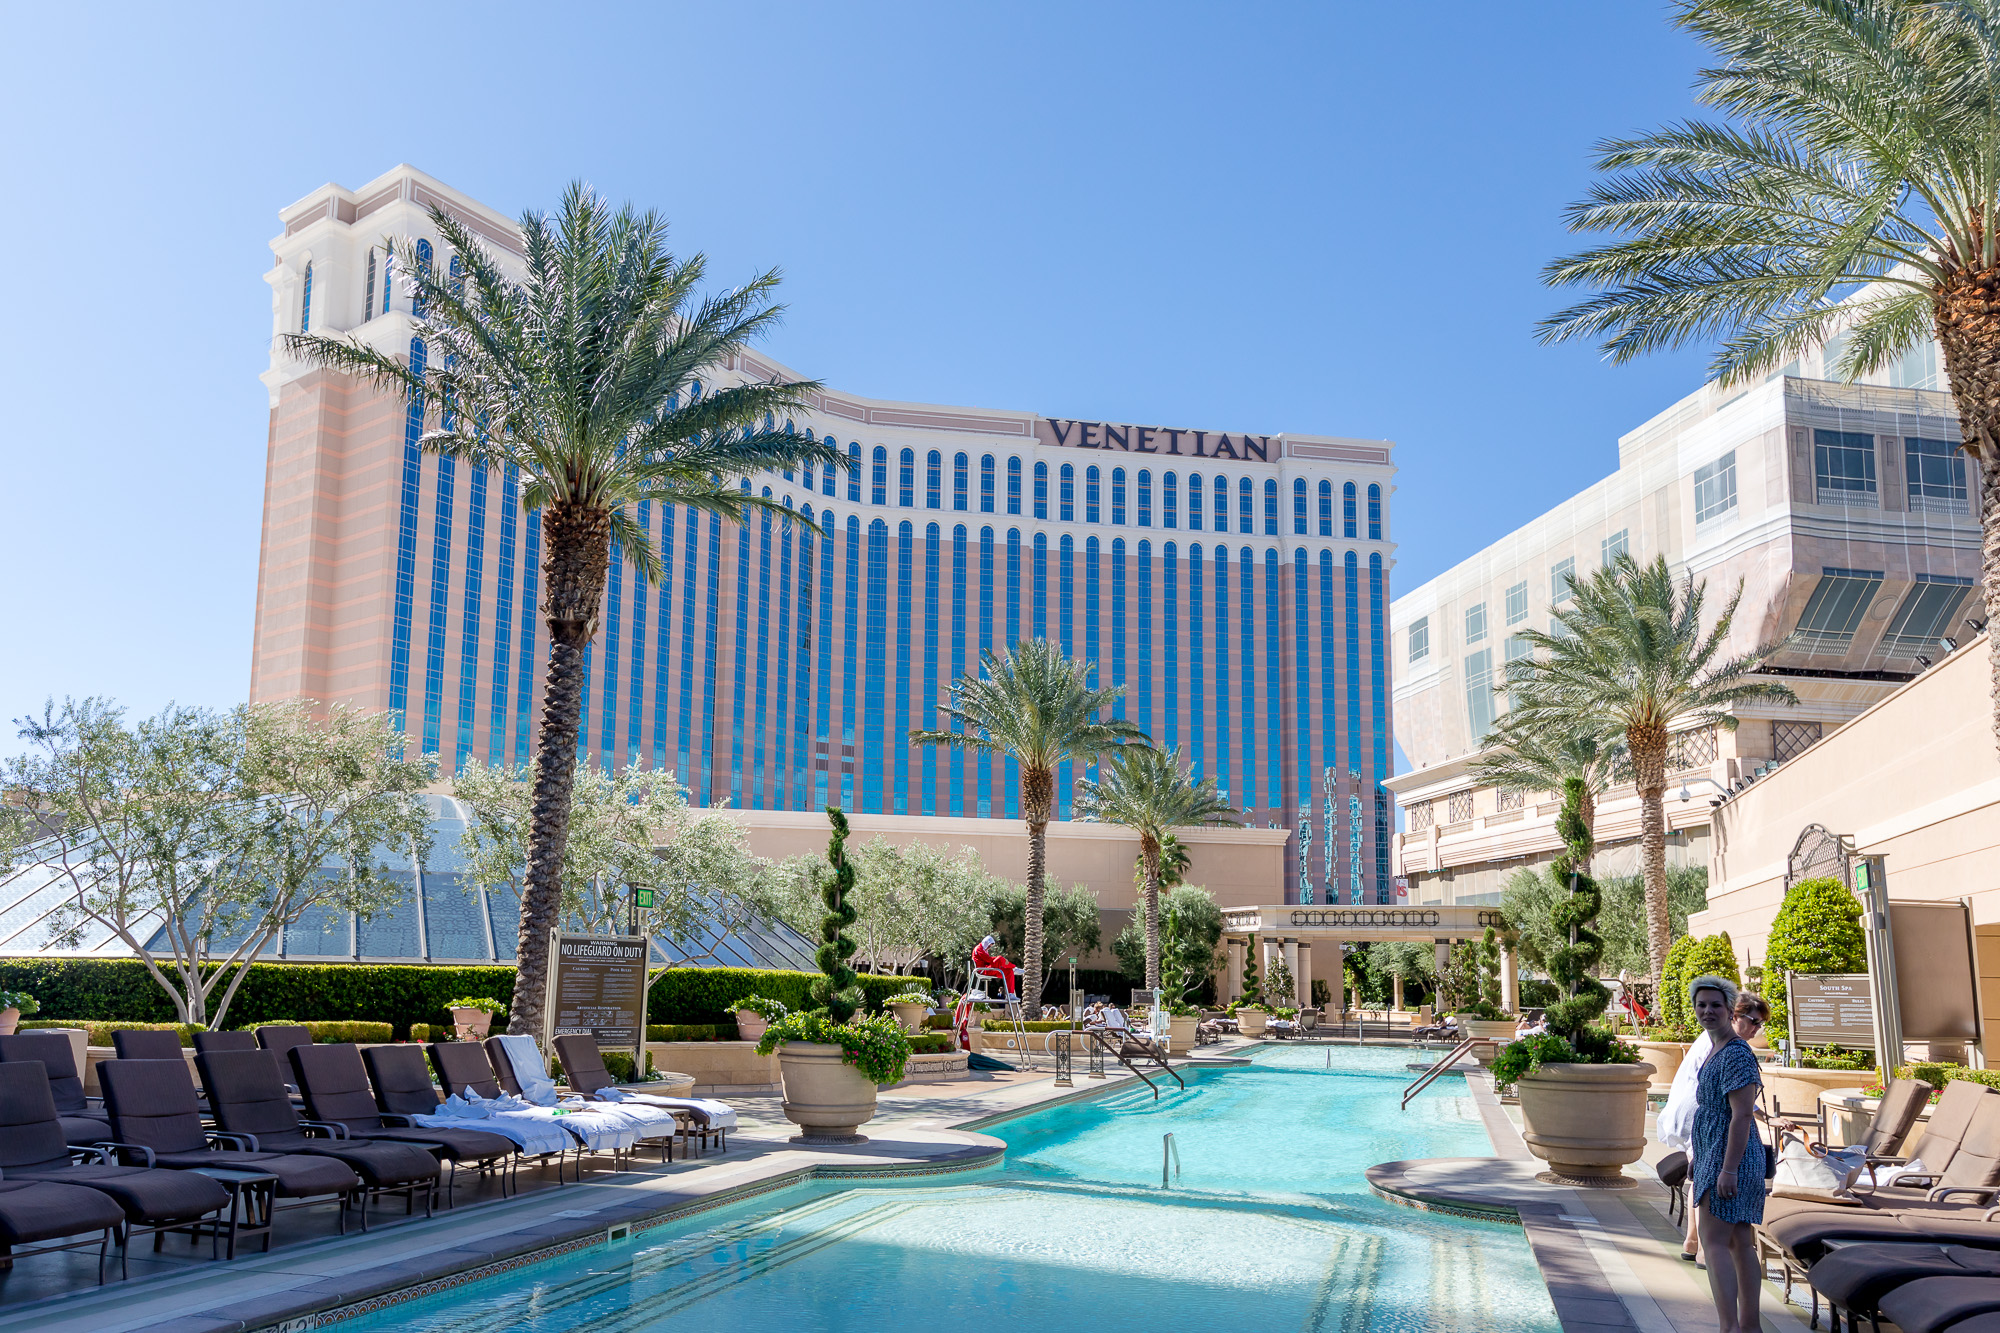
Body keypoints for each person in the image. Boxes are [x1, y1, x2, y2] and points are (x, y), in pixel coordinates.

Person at [1691, 974, 1767, 1333]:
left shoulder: (1735, 1053)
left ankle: (1729, 1327)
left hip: (1730, 1157)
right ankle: (1748, 1327)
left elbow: (1741, 1115)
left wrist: (1728, 1170)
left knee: (1714, 1241)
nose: (1708, 1011)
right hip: (1717, 1154)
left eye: (1715, 1005)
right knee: (1738, 1240)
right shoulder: (1717, 1046)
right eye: (1702, 1004)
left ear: (1729, 1009)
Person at [971, 935, 1017, 1000]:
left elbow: (988, 961)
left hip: (988, 969)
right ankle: (1013, 967)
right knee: (1000, 958)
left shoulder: (984, 949)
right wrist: (1002, 960)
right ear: (986, 943)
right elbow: (988, 960)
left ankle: (1010, 994)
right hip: (983, 970)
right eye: (989, 946)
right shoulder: (979, 949)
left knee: (1009, 972)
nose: (989, 948)